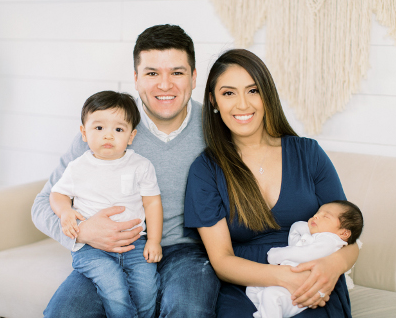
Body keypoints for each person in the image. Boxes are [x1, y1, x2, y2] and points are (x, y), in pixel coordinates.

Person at [31, 24, 221, 317]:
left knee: (188, 310)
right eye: (152, 73)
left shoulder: (216, 128)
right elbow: (43, 204)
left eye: (177, 72)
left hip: (188, 253)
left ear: (194, 77)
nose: (165, 84)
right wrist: (82, 232)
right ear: (136, 78)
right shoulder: (105, 127)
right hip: (109, 250)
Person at [184, 48, 360, 317]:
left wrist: (332, 266)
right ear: (213, 101)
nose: (243, 104)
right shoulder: (205, 170)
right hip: (244, 286)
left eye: (253, 90)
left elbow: (347, 236)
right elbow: (221, 260)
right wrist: (282, 277)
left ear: (267, 95)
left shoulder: (308, 154)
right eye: (228, 93)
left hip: (312, 281)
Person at [49, 91, 163, 318]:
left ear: (131, 136)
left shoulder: (140, 165)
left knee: (147, 288)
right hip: (91, 249)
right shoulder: (77, 167)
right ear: (84, 132)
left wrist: (154, 241)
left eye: (118, 129)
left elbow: (152, 204)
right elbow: (57, 194)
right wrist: (65, 212)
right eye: (99, 128)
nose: (108, 136)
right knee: (114, 287)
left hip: (135, 244)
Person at [246, 201, 364, 318]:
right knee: (253, 288)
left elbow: (305, 254)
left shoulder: (331, 241)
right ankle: (264, 313)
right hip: (284, 280)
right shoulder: (313, 237)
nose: (316, 216)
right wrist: (308, 227)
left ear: (344, 233)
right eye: (317, 213)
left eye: (326, 216)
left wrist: (277, 254)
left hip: (302, 289)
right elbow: (294, 235)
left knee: (271, 296)